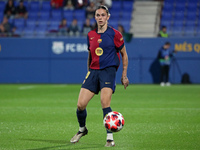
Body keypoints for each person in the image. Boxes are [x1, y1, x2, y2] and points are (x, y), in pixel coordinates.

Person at [70, 5, 129, 147]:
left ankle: (109, 138)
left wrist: (124, 75)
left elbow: (124, 55)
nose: (100, 18)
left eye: (103, 15)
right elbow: (90, 55)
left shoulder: (115, 34)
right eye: (98, 15)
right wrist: (88, 72)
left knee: (105, 103)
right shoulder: (90, 35)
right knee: (80, 105)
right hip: (93, 71)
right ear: (95, 17)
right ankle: (82, 129)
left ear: (108, 17)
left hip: (108, 71)